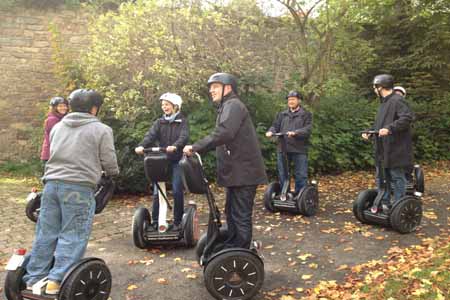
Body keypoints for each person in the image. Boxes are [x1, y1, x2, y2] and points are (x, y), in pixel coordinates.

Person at [24, 89, 119, 294]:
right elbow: (109, 162)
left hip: (51, 185)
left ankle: (33, 279)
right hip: (78, 187)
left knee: (46, 232)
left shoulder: (58, 127)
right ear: (94, 108)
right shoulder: (101, 130)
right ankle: (55, 282)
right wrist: (112, 173)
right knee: (73, 234)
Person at [183, 72, 267, 249]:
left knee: (240, 215)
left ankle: (241, 253)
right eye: (210, 88)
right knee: (231, 213)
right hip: (237, 173)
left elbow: (224, 133)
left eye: (215, 87)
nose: (211, 90)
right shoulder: (226, 106)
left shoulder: (234, 105)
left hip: (244, 173)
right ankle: (233, 247)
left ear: (227, 88)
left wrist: (196, 146)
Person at [135, 93, 189, 232]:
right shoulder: (160, 122)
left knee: (177, 190)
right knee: (157, 192)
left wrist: (176, 146)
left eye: (167, 104)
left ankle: (177, 222)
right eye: (163, 105)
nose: (164, 107)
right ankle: (155, 221)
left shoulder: (182, 121)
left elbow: (184, 137)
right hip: (162, 161)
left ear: (175, 106)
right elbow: (150, 135)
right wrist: (141, 145)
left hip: (177, 159)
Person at [362, 74, 414, 210]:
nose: (374, 90)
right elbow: (380, 126)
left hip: (396, 148)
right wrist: (370, 132)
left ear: (381, 87)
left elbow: (407, 118)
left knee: (397, 177)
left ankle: (398, 207)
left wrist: (390, 129)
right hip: (382, 148)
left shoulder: (398, 101)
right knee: (381, 177)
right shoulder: (383, 103)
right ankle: (384, 204)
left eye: (375, 87)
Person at [265, 90, 312, 195]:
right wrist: (270, 131)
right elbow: (275, 126)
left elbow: (308, 129)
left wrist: (296, 132)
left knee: (300, 174)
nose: (291, 101)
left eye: (293, 99)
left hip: (299, 149)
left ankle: (299, 197)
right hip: (283, 148)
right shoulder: (282, 114)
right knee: (283, 174)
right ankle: (284, 194)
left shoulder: (305, 114)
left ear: (299, 100)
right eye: (289, 100)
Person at [393, 86, 414, 183]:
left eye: (400, 94)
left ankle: (408, 180)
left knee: (405, 158)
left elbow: (408, 119)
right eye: (395, 93)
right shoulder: (388, 107)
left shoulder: (405, 106)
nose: (397, 95)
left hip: (403, 137)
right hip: (391, 137)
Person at [40, 97, 69, 166]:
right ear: (54, 108)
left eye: (65, 106)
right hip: (50, 155)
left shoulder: (63, 118)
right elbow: (58, 137)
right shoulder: (52, 119)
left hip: (59, 154)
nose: (63, 108)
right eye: (60, 106)